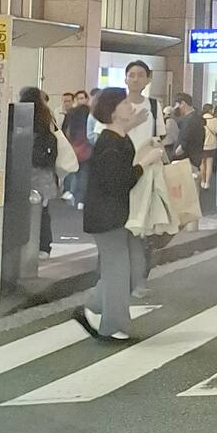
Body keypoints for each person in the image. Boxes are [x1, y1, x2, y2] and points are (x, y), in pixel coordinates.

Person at [74, 87, 160, 342]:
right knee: (118, 272)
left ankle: (93, 305)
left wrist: (136, 133)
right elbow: (119, 181)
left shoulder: (118, 136)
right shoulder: (108, 142)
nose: (128, 104)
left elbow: (124, 162)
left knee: (135, 268)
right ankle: (111, 327)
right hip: (106, 216)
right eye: (123, 102)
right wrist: (145, 162)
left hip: (120, 214)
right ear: (113, 111)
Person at [124, 61, 162, 298]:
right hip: (122, 171)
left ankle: (138, 280)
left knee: (141, 230)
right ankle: (120, 279)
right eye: (131, 75)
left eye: (140, 75)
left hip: (147, 172)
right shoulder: (117, 105)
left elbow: (161, 137)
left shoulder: (155, 106)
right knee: (121, 227)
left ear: (149, 79)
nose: (135, 79)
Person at [20, 87, 59, 257]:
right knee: (42, 210)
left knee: (21, 208)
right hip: (42, 170)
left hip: (23, 167)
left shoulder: (19, 114)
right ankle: (44, 247)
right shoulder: (46, 116)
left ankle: (24, 243)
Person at [61, 89, 93, 208]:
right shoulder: (90, 114)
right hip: (86, 150)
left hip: (74, 148)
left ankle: (70, 192)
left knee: (73, 172)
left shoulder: (71, 114)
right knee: (84, 175)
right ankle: (80, 200)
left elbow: (66, 131)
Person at [169, 93, 207, 172]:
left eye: (177, 105)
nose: (176, 109)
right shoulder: (197, 118)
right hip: (194, 161)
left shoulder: (189, 121)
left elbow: (183, 145)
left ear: (183, 103)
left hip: (185, 163)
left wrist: (173, 156)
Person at [200, 103, 217, 191]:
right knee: (209, 164)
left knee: (202, 164)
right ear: (210, 110)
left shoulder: (199, 119)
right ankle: (207, 183)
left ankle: (202, 181)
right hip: (211, 145)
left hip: (201, 145)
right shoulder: (215, 120)